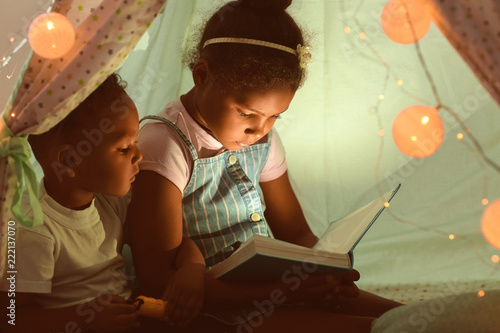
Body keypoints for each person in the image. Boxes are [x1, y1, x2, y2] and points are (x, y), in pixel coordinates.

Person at [127, 0, 401, 332]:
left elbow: (296, 232)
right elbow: (158, 280)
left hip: (274, 291)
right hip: (210, 309)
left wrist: (325, 273)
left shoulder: (261, 139)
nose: (260, 130)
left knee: (403, 316)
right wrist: (282, 291)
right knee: (376, 329)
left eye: (274, 116)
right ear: (202, 75)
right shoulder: (165, 145)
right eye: (247, 113)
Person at [0, 73, 143, 333]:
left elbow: (154, 242)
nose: (139, 155)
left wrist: (192, 264)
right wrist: (84, 319)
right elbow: (10, 319)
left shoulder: (111, 202)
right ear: (69, 161)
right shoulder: (32, 228)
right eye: (124, 148)